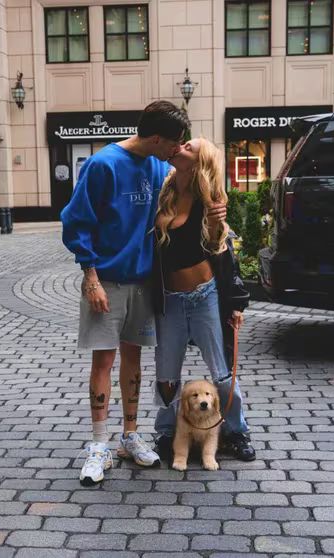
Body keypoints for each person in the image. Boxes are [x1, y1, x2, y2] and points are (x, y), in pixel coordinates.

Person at [61, 101, 226, 485]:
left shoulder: (158, 166)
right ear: (156, 139)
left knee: (133, 361)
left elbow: (192, 185)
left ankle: (130, 436)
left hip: (145, 282)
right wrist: (90, 275)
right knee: (103, 361)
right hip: (108, 281)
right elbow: (75, 220)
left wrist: (218, 211)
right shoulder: (103, 165)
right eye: (174, 143)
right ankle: (99, 445)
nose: (176, 150)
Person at [150, 138, 256, 463]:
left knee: (222, 372)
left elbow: (222, 252)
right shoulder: (163, 191)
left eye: (189, 147)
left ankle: (236, 432)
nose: (180, 147)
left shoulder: (210, 199)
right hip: (169, 299)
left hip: (204, 296)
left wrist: (235, 302)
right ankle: (167, 434)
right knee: (166, 374)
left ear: (198, 161)